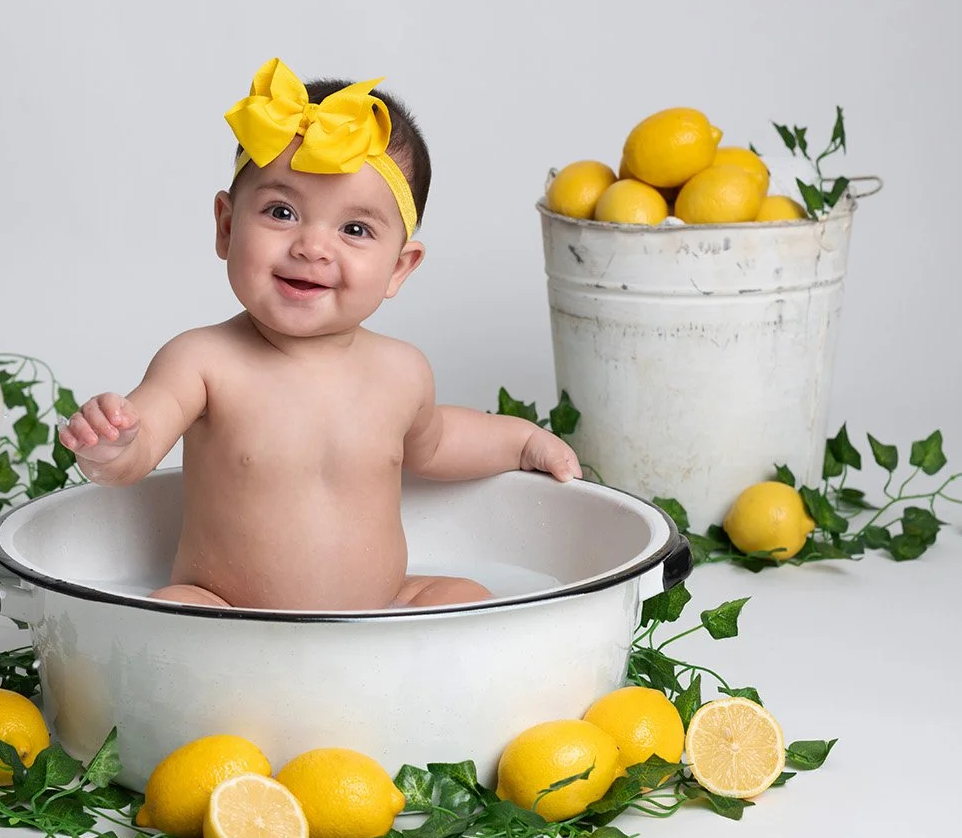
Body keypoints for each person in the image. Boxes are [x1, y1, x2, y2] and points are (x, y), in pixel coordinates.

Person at [58, 58, 581, 611]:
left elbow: (439, 442)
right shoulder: (202, 361)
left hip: (379, 615)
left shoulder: (402, 372)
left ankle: (413, 677)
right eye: (281, 212)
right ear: (227, 226)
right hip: (226, 611)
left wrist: (521, 441)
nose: (312, 246)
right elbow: (142, 442)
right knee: (177, 608)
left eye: (354, 229)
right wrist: (112, 447)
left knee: (467, 600)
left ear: (400, 268)